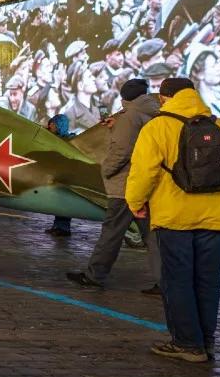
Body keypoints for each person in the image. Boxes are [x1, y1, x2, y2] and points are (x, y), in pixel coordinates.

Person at [126, 77, 220, 363]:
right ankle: (206, 341)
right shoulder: (219, 125)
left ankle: (187, 343)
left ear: (164, 98)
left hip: (174, 218)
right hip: (214, 219)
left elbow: (142, 172)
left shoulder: (157, 127)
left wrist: (136, 204)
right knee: (208, 282)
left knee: (178, 281)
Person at [67, 79, 163, 293]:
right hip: (147, 184)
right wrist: (115, 128)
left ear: (125, 97)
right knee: (153, 237)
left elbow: (122, 150)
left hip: (124, 187)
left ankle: (94, 276)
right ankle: (165, 281)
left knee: (111, 233)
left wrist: (105, 170)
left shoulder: (129, 117)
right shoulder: (153, 112)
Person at [44, 114, 74, 237]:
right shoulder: (55, 138)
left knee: (65, 202)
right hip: (58, 176)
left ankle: (64, 228)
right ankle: (57, 226)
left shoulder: (71, 140)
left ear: (59, 125)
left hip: (67, 177)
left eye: (53, 124)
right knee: (58, 202)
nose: (50, 126)